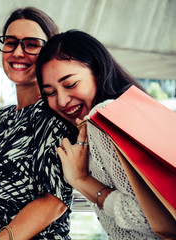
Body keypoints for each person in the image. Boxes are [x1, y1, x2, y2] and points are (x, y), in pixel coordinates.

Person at [36, 30, 161, 239]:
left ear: (98, 72)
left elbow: (147, 217)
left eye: (70, 84)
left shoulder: (101, 119)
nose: (62, 101)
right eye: (50, 92)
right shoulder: (133, 108)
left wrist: (81, 180)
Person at [0, 7, 78, 240]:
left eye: (31, 44)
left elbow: (55, 200)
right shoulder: (0, 119)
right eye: (10, 42)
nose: (18, 52)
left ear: (50, 52)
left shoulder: (53, 115)